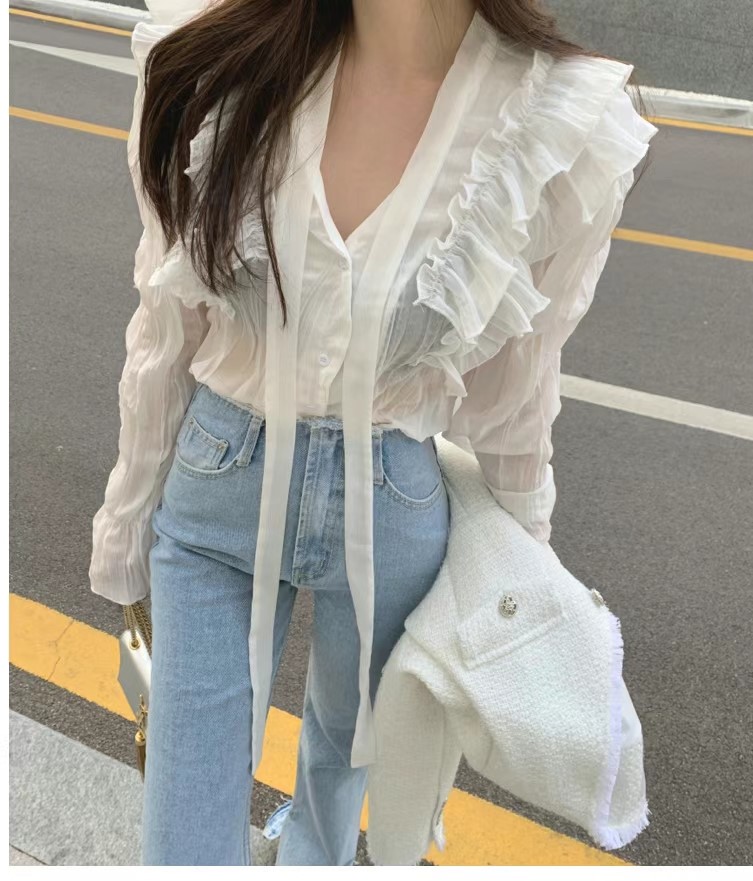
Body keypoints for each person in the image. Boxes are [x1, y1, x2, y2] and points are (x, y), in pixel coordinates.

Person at [88, 0, 657, 866]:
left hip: (395, 509)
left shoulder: (553, 121)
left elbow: (516, 393)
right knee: (183, 843)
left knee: (336, 818)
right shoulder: (214, 60)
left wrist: (515, 585)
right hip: (217, 493)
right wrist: (126, 524)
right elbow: (167, 325)